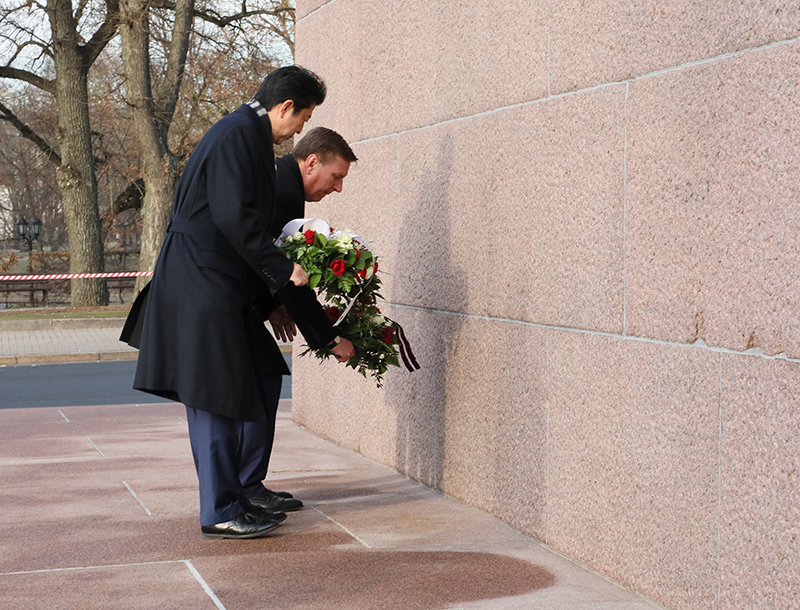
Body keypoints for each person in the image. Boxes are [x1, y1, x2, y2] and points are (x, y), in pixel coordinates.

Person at [121, 66, 355, 540]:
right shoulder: (239, 135)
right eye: (303, 117)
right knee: (214, 399)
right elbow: (232, 214)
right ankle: (222, 509)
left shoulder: (243, 134)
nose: (300, 130)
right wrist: (281, 266)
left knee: (225, 395)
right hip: (202, 285)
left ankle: (233, 498)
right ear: (286, 107)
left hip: (210, 283)